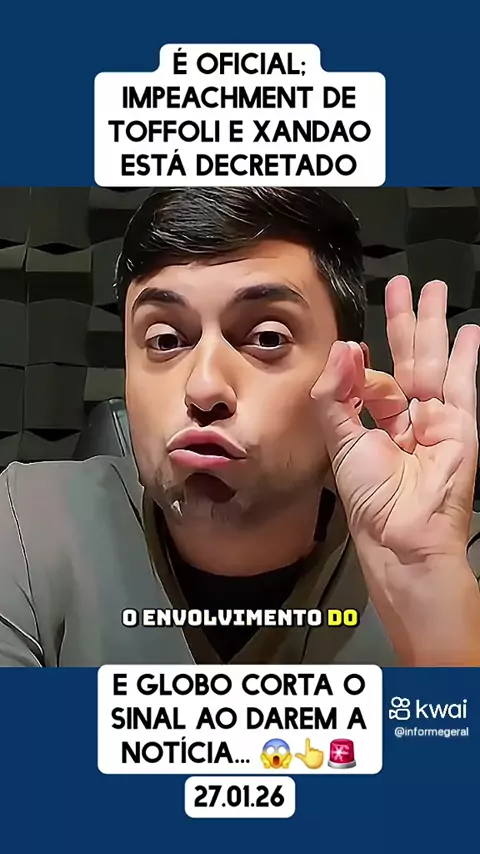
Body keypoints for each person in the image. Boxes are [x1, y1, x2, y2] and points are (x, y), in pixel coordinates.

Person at [0, 186, 479, 667]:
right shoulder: (29, 526)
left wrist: (430, 596)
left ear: (349, 381)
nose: (204, 387)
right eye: (165, 340)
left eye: (267, 338)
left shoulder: (452, 556)